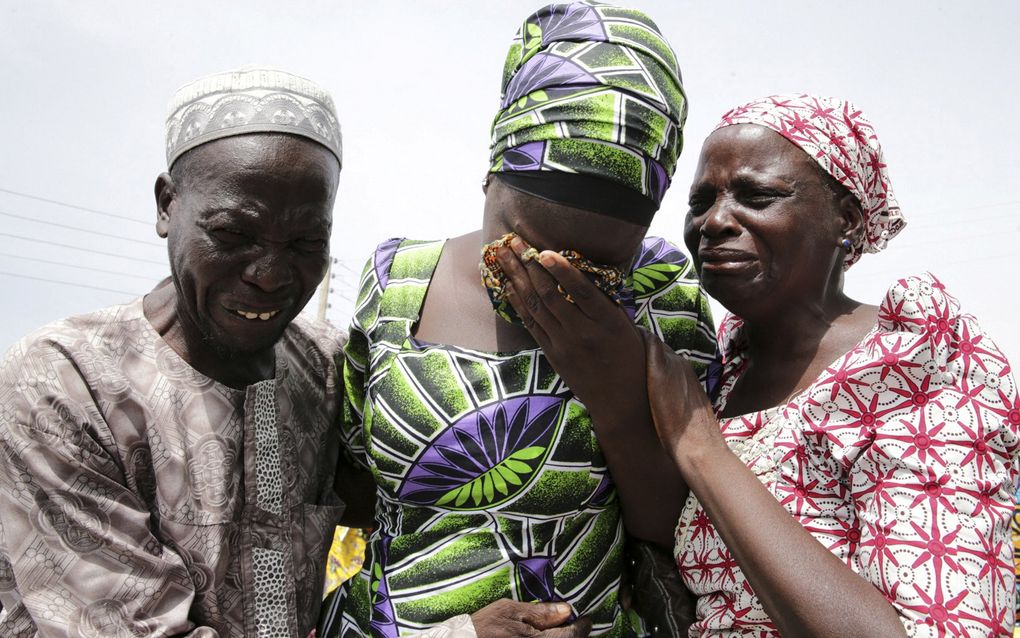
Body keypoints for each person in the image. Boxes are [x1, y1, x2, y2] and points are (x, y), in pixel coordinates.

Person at [496, 93, 1020, 636]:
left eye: (759, 195)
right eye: (700, 201)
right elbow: (677, 538)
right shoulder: (722, 368)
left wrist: (700, 445)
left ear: (847, 218)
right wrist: (609, 389)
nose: (715, 221)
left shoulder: (913, 362)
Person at [321, 3, 715, 637]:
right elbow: (357, 487)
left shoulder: (663, 292)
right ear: (491, 174)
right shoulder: (399, 279)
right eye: (518, 253)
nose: (544, 282)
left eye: (594, 268)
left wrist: (613, 394)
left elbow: (686, 528)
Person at [0, 67, 350, 637]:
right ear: (167, 205)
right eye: (234, 234)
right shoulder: (62, 382)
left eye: (307, 242)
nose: (269, 275)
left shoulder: (328, 371)